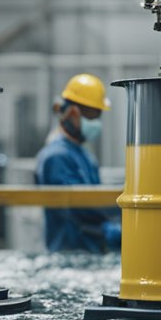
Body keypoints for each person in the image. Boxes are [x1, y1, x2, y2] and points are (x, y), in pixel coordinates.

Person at [35, 73, 121, 252]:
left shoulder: (83, 155)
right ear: (73, 112)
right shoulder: (56, 157)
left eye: (98, 114)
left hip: (91, 253)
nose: (95, 122)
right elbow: (79, 212)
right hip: (70, 254)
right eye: (91, 114)